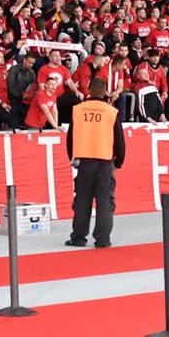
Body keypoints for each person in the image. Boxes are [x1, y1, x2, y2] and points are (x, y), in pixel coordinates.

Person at [66, 77, 126, 249]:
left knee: (82, 201)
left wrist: (73, 156)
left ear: (89, 90)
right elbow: (119, 140)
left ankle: (78, 237)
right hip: (105, 160)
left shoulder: (78, 110)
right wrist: (119, 161)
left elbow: (70, 138)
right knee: (105, 202)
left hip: (84, 160)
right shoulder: (111, 112)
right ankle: (102, 239)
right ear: (105, 92)